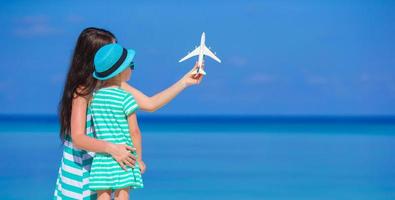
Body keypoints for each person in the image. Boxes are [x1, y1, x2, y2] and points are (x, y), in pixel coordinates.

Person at [54, 27, 203, 199]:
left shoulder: (112, 85)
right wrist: (113, 149)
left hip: (103, 166)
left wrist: (185, 81)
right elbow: (78, 138)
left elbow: (150, 103)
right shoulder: (83, 91)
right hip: (80, 174)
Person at [89, 43, 143, 199]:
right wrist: (138, 159)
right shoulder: (126, 98)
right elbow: (135, 131)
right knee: (122, 194)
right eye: (130, 65)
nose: (132, 69)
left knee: (103, 194)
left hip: (101, 158)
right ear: (121, 72)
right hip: (125, 155)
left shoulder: (94, 98)